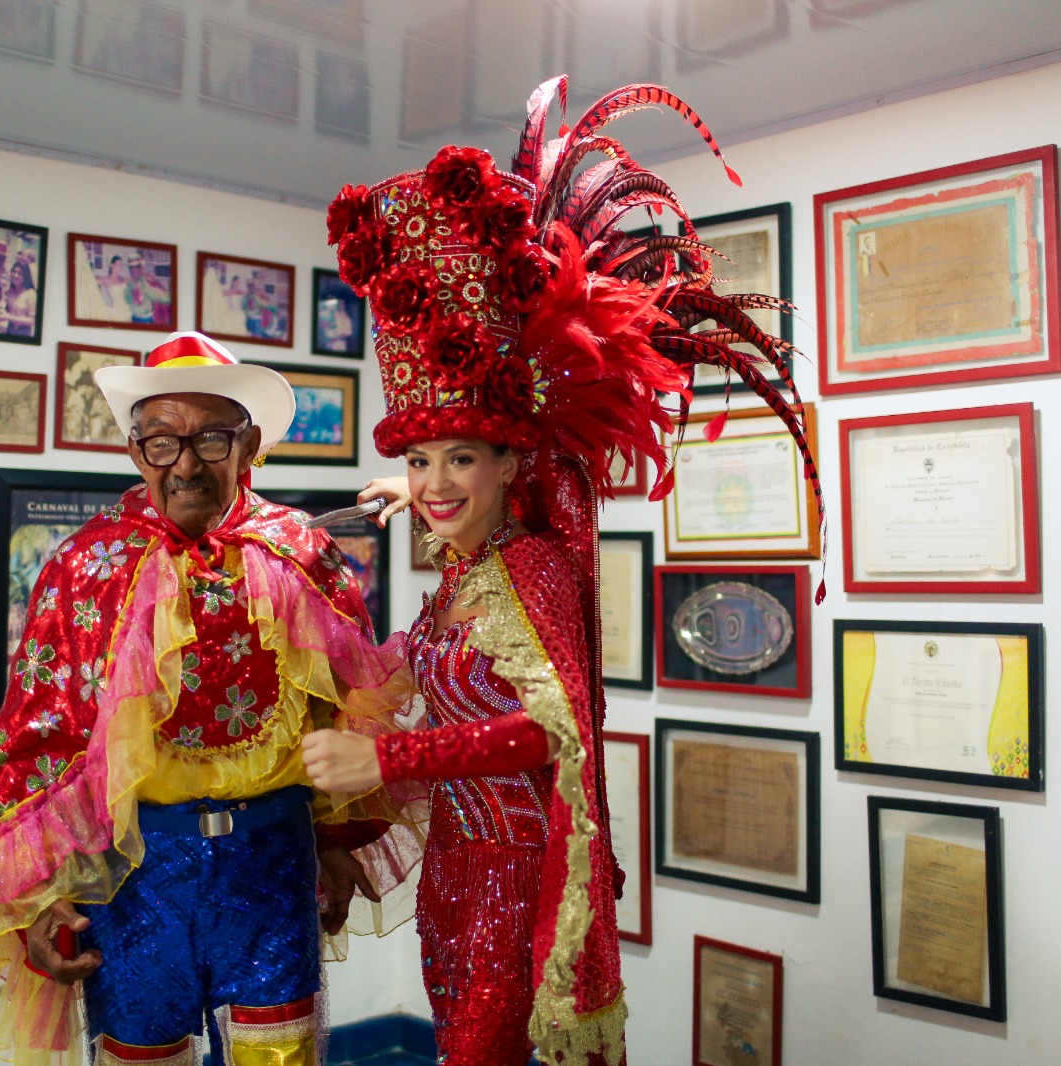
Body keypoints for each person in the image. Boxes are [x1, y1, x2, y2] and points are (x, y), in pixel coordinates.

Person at [304, 76, 824, 1065]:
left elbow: (549, 732)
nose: (438, 479)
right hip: (451, 877)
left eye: (463, 456)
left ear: (510, 462)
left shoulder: (534, 566)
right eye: (422, 458)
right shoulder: (458, 580)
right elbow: (399, 676)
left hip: (509, 878)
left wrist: (389, 760)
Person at [0, 331, 420, 1066]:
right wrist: (33, 895)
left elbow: (347, 708)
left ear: (249, 448)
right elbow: (36, 741)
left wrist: (340, 843)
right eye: (162, 442)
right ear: (135, 452)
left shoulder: (302, 554)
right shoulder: (83, 568)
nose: (186, 464)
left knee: (279, 1054)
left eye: (211, 439)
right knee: (141, 1057)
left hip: (274, 868)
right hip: (135, 879)